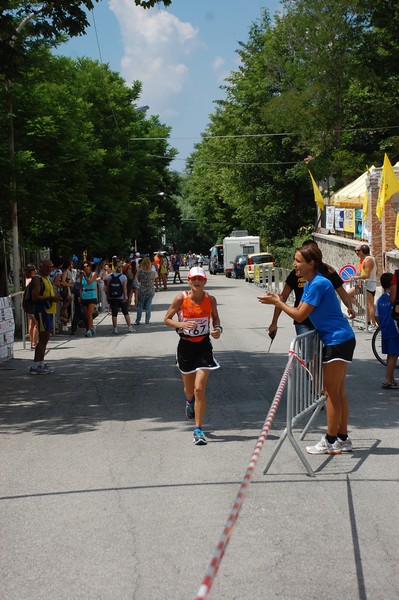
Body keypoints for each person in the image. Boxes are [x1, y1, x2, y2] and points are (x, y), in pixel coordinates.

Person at [258, 244, 356, 455]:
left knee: (332, 393)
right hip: (340, 339)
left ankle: (330, 440)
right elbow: (301, 312)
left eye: (298, 261)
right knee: (337, 393)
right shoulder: (313, 282)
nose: (294, 265)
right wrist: (278, 302)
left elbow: (300, 315)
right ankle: (342, 438)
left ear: (311, 264)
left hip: (337, 340)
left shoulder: (318, 283)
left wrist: (277, 301)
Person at [163, 266, 222, 445]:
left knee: (199, 389)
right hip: (186, 347)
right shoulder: (181, 298)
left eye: (200, 279)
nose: (197, 281)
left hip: (204, 346)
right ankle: (189, 402)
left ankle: (198, 430)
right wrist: (180, 325)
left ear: (205, 281)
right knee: (190, 391)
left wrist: (217, 329)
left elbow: (216, 318)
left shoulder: (210, 299)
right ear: (189, 281)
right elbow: (166, 319)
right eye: (193, 279)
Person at [268, 240, 355, 338]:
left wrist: (349, 306)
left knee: (320, 351)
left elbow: (342, 292)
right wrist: (274, 321)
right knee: (308, 352)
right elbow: (284, 296)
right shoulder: (299, 276)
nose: (294, 264)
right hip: (304, 322)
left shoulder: (326, 273)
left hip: (322, 322)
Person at [30, 259, 62, 375]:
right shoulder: (37, 278)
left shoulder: (46, 278)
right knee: (43, 338)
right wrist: (51, 298)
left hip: (48, 311)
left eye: (51, 267)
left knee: (45, 338)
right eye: (47, 267)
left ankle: (40, 364)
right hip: (41, 311)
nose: (50, 269)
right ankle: (35, 366)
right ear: (41, 267)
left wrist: (53, 296)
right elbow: (35, 296)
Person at [376, 272, 399, 389]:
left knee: (390, 355)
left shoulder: (380, 300)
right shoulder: (394, 299)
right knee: (394, 355)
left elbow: (376, 316)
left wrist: (382, 325)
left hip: (385, 330)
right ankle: (388, 380)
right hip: (394, 330)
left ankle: (390, 378)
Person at [349, 244, 377, 332]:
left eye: (358, 251)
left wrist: (356, 277)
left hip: (368, 285)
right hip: (365, 284)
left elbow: (367, 275)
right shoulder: (370, 259)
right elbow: (375, 272)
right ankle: (367, 321)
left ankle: (373, 324)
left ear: (362, 251)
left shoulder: (368, 260)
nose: (357, 252)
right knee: (349, 294)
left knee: (370, 305)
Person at [105, 261, 135, 334]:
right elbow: (124, 288)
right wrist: (125, 297)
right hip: (121, 297)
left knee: (114, 313)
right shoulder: (123, 277)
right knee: (125, 312)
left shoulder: (110, 277)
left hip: (112, 297)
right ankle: (129, 327)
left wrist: (108, 296)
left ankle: (115, 328)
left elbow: (107, 288)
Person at [135, 257, 155, 325]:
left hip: (142, 289)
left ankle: (138, 320)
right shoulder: (152, 272)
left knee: (140, 305)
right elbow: (153, 280)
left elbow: (138, 279)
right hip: (150, 289)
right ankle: (147, 320)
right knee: (148, 305)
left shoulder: (140, 271)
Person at [81, 262, 98, 337]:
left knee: (89, 313)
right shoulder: (82, 276)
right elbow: (81, 286)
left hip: (91, 294)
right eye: (84, 267)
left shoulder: (93, 274)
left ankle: (89, 329)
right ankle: (90, 326)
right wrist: (80, 295)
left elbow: (89, 282)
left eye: (87, 266)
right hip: (84, 295)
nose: (86, 267)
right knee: (86, 314)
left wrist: (85, 275)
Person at [24, 264, 39, 350]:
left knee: (31, 323)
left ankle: (32, 342)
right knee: (36, 322)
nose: (35, 270)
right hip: (33, 303)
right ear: (30, 271)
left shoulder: (27, 279)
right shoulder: (32, 280)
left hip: (29, 303)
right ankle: (34, 342)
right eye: (33, 269)